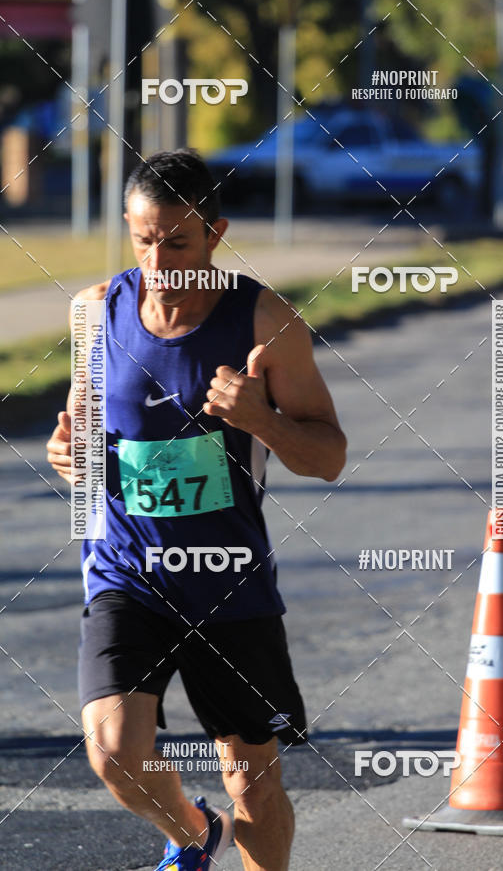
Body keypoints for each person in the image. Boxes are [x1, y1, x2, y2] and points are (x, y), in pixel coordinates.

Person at [46, 148, 346, 871]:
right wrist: (69, 453)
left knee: (254, 783)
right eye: (143, 239)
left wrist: (261, 420)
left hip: (228, 580)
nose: (159, 261)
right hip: (127, 570)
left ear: (215, 233)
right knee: (114, 752)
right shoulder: (95, 310)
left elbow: (329, 456)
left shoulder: (265, 321)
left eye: (178, 242)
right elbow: (82, 429)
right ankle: (195, 831)